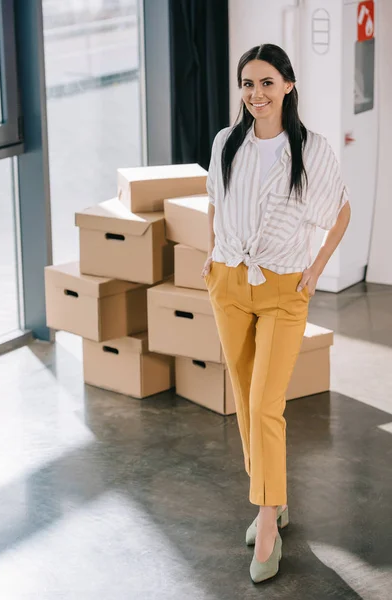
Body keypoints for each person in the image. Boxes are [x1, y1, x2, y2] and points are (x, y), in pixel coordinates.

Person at [201, 43, 351, 583]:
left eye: (266, 82)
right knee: (243, 399)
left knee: (266, 402)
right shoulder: (226, 142)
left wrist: (314, 272)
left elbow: (341, 210)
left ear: (288, 85)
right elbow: (215, 200)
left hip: (285, 289)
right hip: (228, 284)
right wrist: (210, 255)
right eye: (247, 84)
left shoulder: (312, 150)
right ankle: (275, 498)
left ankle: (267, 520)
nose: (255, 94)